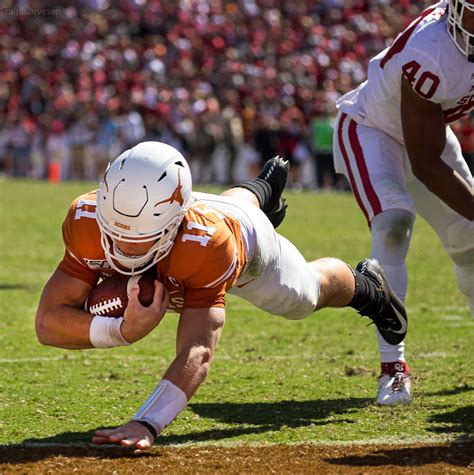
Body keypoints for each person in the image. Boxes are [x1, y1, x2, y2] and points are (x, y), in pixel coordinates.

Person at [35, 141, 407, 449]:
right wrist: (120, 331)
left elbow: (199, 348)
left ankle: (367, 287)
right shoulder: (85, 219)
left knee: (305, 295)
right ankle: (262, 191)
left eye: (138, 240)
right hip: (207, 211)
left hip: (246, 244)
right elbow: (48, 324)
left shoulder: (208, 245)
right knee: (234, 205)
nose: (122, 249)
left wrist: (147, 423)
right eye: (114, 233)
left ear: (175, 222)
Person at [333, 0, 474, 405]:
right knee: (393, 225)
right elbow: (425, 163)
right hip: (373, 130)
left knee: (470, 241)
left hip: (430, 131)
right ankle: (392, 369)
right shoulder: (430, 51)